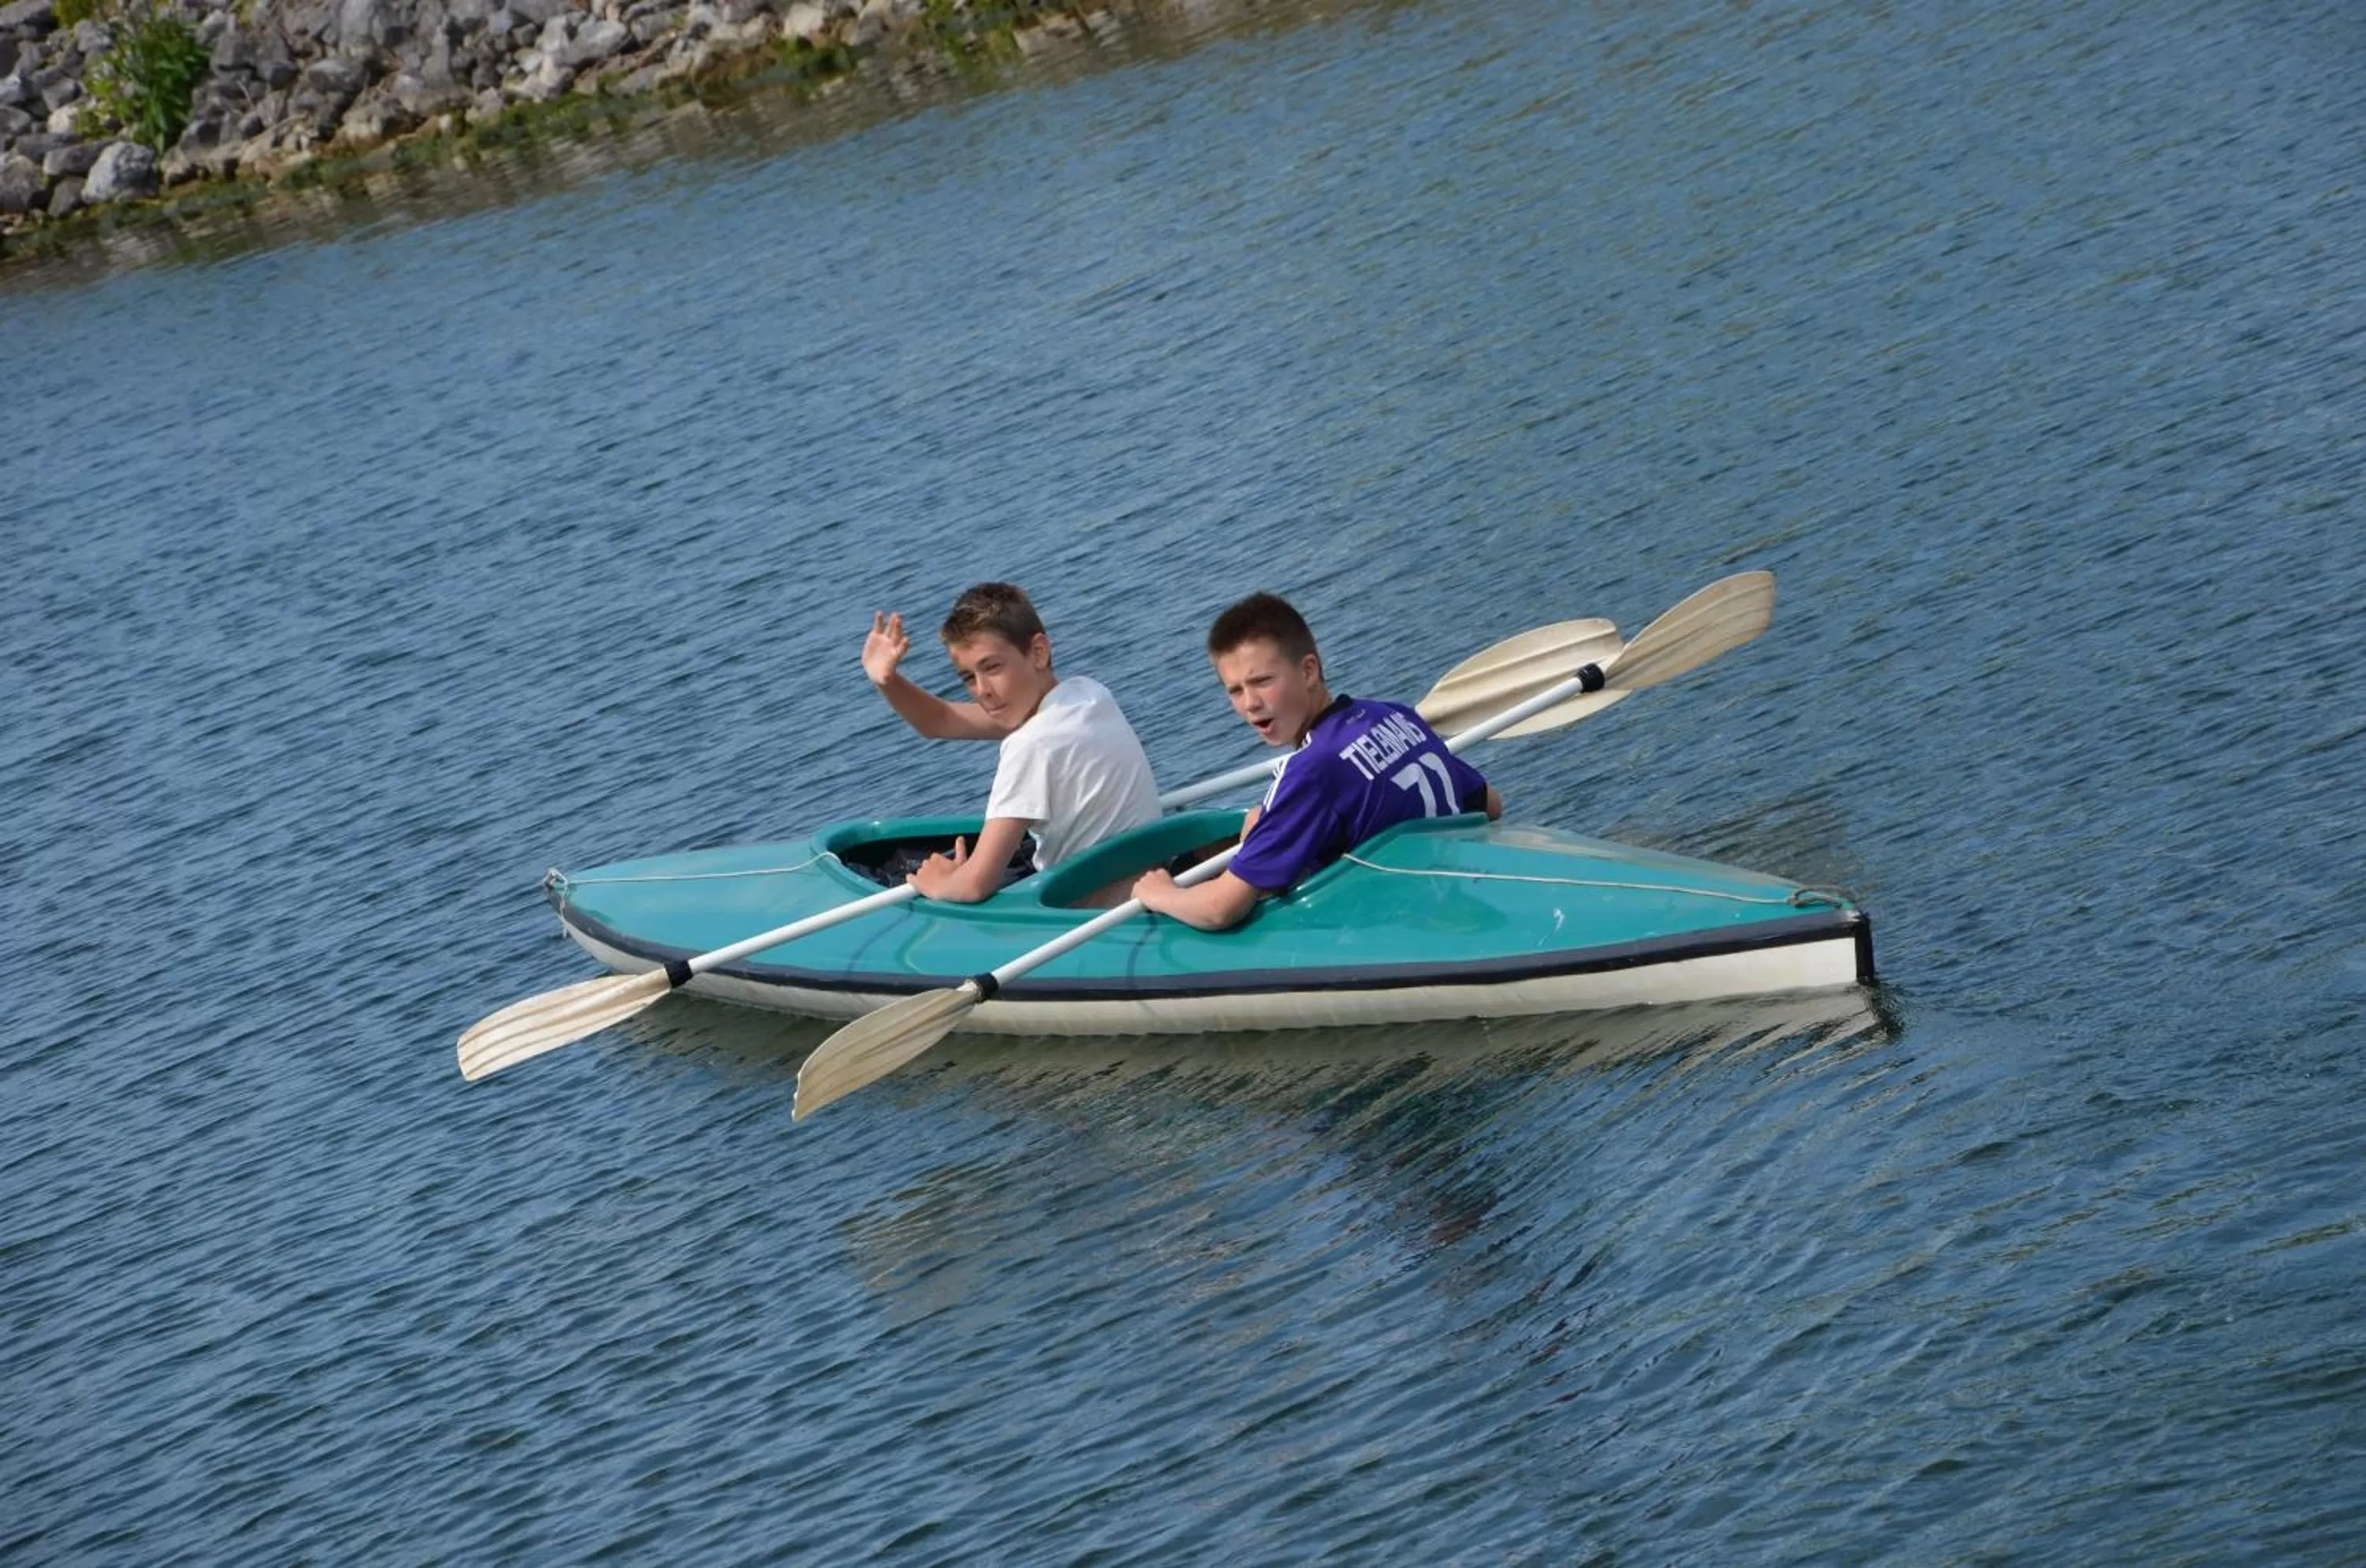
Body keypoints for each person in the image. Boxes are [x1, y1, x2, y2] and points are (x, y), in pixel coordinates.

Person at [1133, 592, 1501, 931]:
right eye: (1235, 690)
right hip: (1473, 882)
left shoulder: (1308, 772)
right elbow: (1490, 803)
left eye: (1261, 681)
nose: (1250, 703)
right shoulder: (1391, 714)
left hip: (1416, 922)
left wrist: (1162, 893)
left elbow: (1220, 910)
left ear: (1309, 671)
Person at [863, 581, 1161, 902]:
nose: (982, 690)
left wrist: (940, 881)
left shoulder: (1029, 745)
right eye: (968, 677)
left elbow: (975, 886)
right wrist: (888, 681)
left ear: (1038, 652)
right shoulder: (1086, 694)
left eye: (992, 667)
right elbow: (941, 721)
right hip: (1148, 878)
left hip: (1090, 915)